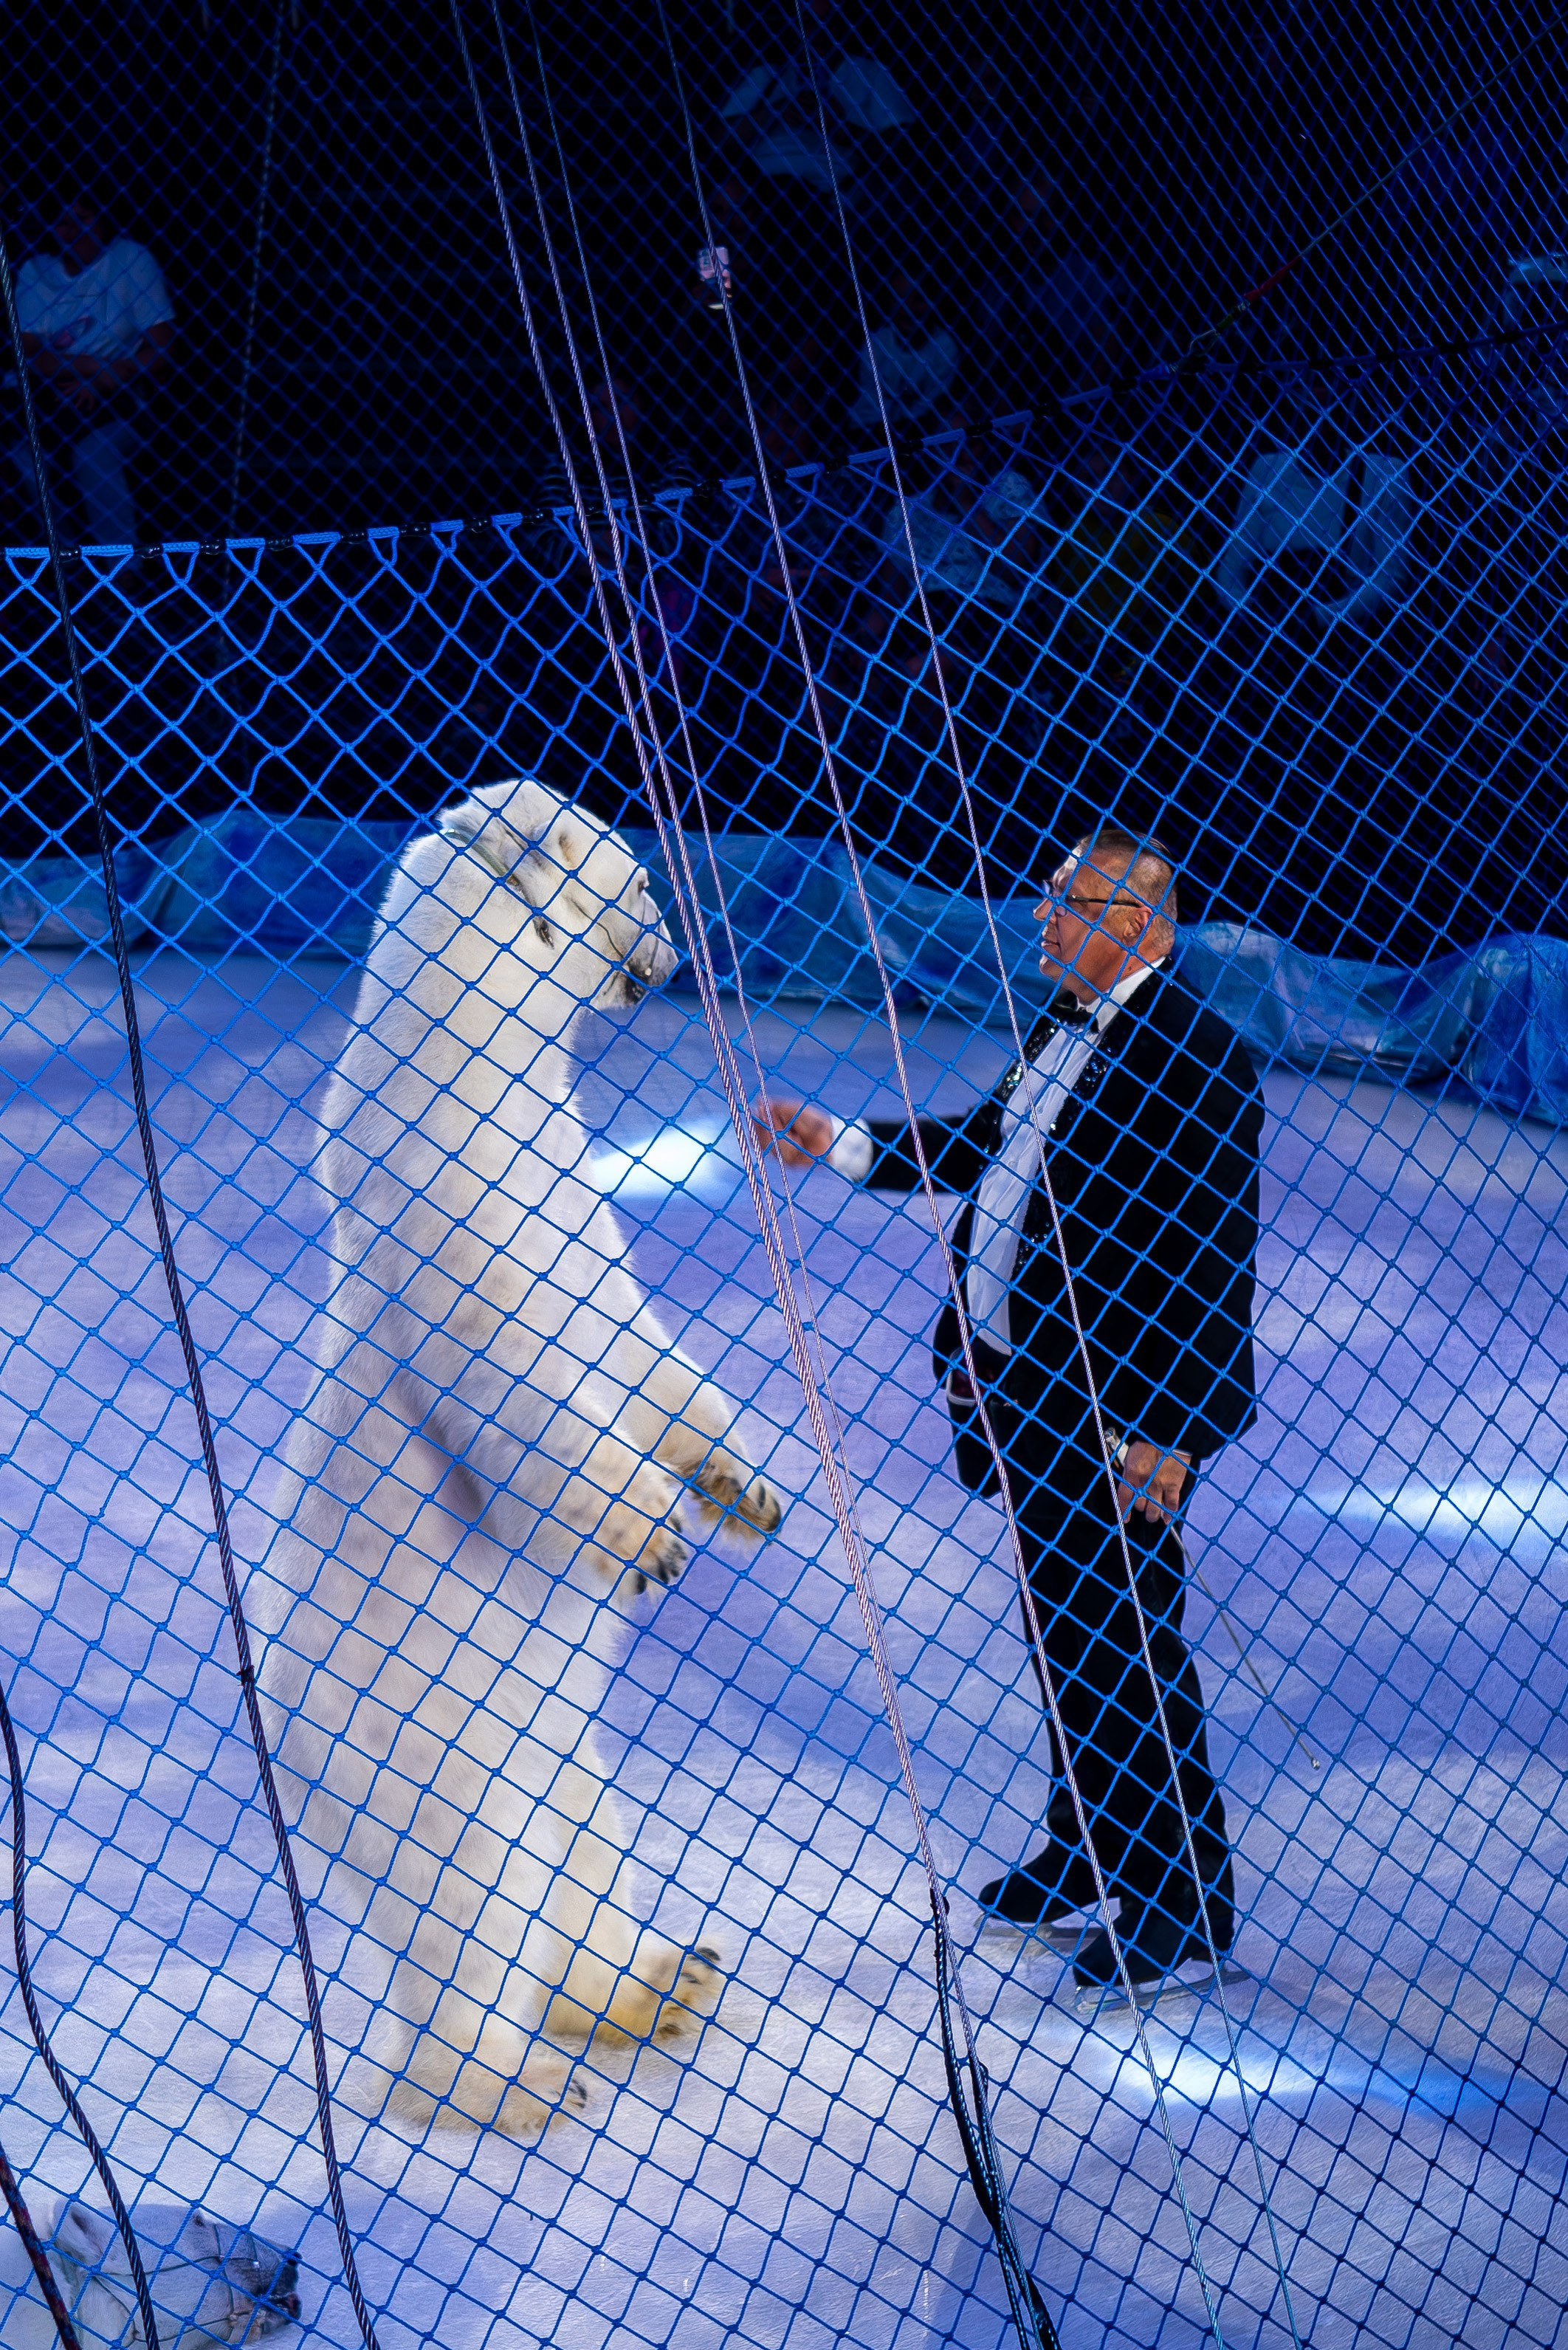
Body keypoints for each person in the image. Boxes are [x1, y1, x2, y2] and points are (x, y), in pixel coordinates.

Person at [752, 830, 1262, 1993]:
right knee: (1068, 1637)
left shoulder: (1197, 1056)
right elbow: (991, 1147)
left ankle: (1184, 1905)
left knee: (1127, 1650)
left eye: (1069, 900)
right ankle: (1091, 1849)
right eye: (1051, 894)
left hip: (1115, 1417)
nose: (1043, 915)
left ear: (1142, 924)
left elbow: (1210, 1261)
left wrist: (1175, 1429)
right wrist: (842, 1142)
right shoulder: (1065, 1024)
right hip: (1025, 1390)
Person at [10, 196, 174, 546]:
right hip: (53, 392)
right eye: (63, 222)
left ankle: (121, 565)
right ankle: (63, 555)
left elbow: (161, 350)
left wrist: (107, 378)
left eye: (83, 217)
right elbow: (29, 353)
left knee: (93, 456)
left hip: (123, 392)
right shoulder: (37, 271)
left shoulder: (130, 259)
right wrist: (89, 366)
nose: (74, 230)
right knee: (24, 458)